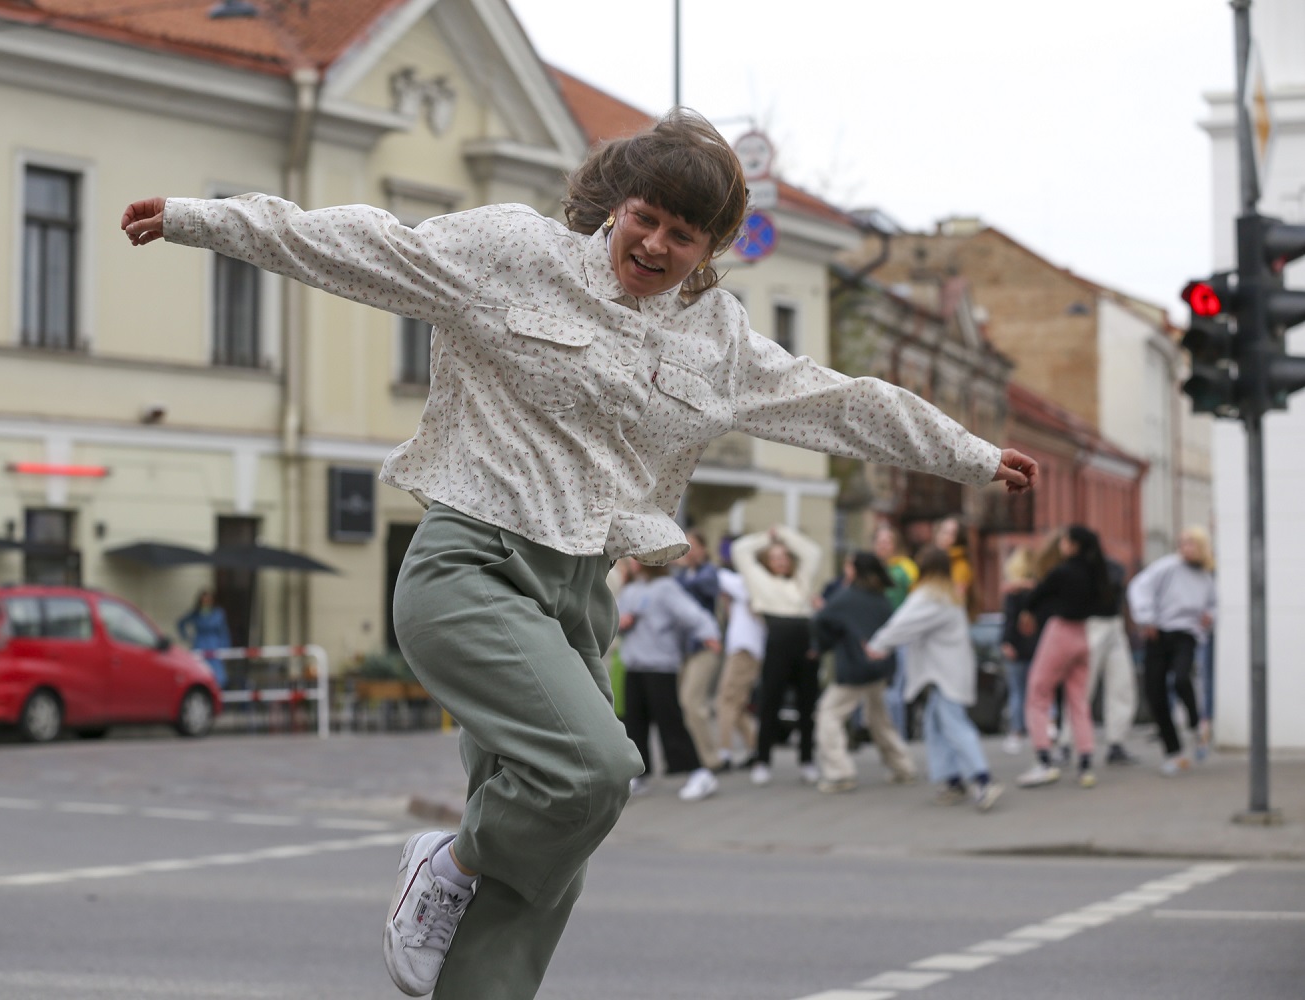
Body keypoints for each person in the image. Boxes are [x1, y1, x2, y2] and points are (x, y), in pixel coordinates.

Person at [120, 107, 1038, 1000]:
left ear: (711, 249)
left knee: (562, 847)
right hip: (471, 565)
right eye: (644, 218)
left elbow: (836, 400)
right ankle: (450, 857)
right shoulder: (515, 255)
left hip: (578, 600)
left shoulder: (715, 341)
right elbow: (362, 244)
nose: (653, 246)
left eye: (683, 235)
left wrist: (969, 455)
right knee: (593, 770)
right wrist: (203, 220)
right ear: (614, 205)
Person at [866, 547, 1003, 811]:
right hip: (946, 672)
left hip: (944, 674)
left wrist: (878, 645)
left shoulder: (929, 597)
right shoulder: (947, 595)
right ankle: (953, 780)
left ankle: (983, 778)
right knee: (935, 725)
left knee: (953, 725)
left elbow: (903, 623)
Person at [1015, 525, 1113, 790]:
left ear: (1073, 545)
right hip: (1083, 635)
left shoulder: (1063, 571)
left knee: (1037, 693)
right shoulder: (1096, 573)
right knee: (1078, 700)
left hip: (1060, 634)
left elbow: (1037, 594)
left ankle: (1044, 761)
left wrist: (1027, 610)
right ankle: (1085, 762)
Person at [616, 561, 722, 801]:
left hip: (660, 666)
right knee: (634, 723)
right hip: (634, 665)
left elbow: (693, 614)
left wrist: (710, 634)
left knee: (670, 721)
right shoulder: (630, 590)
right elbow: (613, 620)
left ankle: (699, 773)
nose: (628, 562)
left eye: (633, 558)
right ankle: (639, 774)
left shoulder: (665, 587)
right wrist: (620, 623)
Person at [812, 552, 917, 792]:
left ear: (855, 570)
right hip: (879, 668)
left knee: (828, 714)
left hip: (853, 668)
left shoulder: (846, 597)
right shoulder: (881, 597)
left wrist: (823, 645)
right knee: (879, 719)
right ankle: (902, 766)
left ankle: (839, 773)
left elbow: (822, 622)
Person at [732, 525, 824, 786]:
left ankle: (807, 761)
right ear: (767, 561)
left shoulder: (802, 581)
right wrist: (767, 537)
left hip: (805, 647)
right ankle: (762, 762)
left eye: (784, 557)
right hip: (776, 646)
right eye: (775, 558)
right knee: (769, 704)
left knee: (807, 707)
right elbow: (740, 550)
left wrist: (785, 535)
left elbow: (814, 553)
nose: (780, 562)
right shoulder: (760, 581)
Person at [1127, 526, 1217, 776]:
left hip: (1186, 634)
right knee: (1154, 692)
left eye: (1191, 543)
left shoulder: (1207, 575)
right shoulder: (1167, 567)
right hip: (1159, 633)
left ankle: (1196, 723)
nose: (1185, 547)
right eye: (1182, 542)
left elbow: (1215, 603)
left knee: (1181, 678)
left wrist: (1210, 616)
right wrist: (1147, 619)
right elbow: (1139, 588)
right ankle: (1174, 751)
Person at [671, 530, 726, 777]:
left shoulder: (708, 573)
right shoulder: (682, 576)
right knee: (686, 704)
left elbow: (703, 588)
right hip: (684, 650)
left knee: (694, 702)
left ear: (704, 549)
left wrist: (680, 564)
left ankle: (712, 759)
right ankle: (697, 756)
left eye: (694, 546)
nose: (689, 552)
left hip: (705, 646)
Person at [1083, 555, 1140, 766]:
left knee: (1121, 684)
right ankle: (1067, 742)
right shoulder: (1078, 569)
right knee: (1082, 687)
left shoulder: (1115, 568)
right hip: (1090, 625)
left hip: (1114, 625)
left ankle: (1117, 741)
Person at [713, 545, 765, 771]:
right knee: (737, 704)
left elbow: (719, 576)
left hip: (745, 650)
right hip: (744, 650)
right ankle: (756, 748)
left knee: (725, 701)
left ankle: (725, 753)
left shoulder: (750, 583)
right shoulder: (751, 584)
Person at [873, 524, 918, 737]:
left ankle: (898, 735)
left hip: (900, 635)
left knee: (895, 691)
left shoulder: (905, 567)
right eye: (879, 541)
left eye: (887, 541)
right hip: (874, 635)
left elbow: (917, 596)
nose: (883, 546)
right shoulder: (869, 568)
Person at [998, 545, 1038, 754]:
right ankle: (1044, 727)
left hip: (1017, 647)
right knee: (1038, 690)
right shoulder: (1039, 591)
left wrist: (1005, 642)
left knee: (1018, 692)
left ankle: (1017, 732)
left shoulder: (1012, 592)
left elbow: (1008, 620)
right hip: (1036, 648)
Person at [176, 589, 231, 688]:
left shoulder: (218, 613)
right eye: (204, 600)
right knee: (198, 673)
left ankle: (217, 697)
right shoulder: (195, 613)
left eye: (208, 600)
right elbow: (181, 623)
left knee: (219, 677)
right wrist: (187, 637)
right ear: (200, 601)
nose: (206, 603)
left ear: (212, 601)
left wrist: (225, 647)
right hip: (199, 644)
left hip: (214, 645)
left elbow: (224, 632)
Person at [934, 516, 976, 612]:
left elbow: (957, 599)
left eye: (950, 533)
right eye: (942, 531)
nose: (943, 537)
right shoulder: (935, 560)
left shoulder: (961, 566)